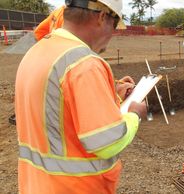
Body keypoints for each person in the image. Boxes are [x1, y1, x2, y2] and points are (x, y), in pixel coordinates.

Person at [15, 0, 146, 193]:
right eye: (114, 25)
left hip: (37, 185)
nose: (112, 34)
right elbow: (108, 143)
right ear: (102, 17)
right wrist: (134, 114)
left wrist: (112, 95)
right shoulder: (84, 64)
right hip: (74, 187)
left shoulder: (37, 52)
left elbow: (58, 114)